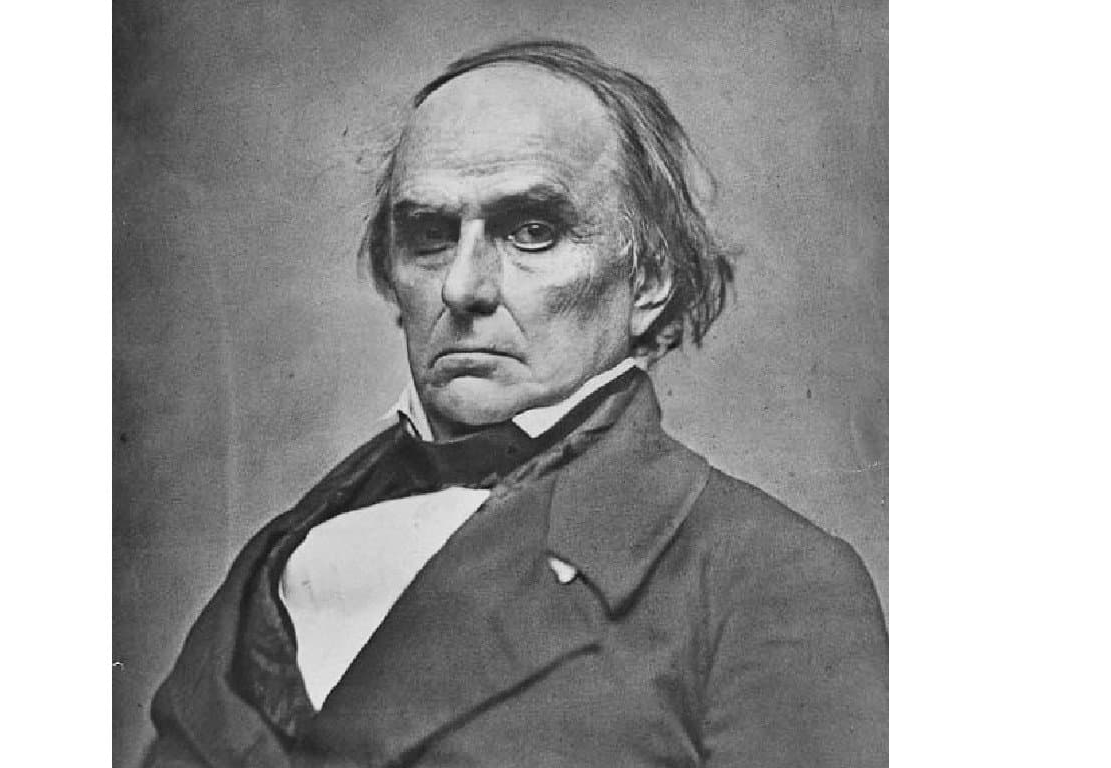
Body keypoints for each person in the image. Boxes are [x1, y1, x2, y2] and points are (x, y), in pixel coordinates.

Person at [145, 39, 886, 768]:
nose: (463, 287)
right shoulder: (281, 557)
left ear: (649, 279)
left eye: (533, 232)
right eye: (430, 235)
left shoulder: (765, 578)